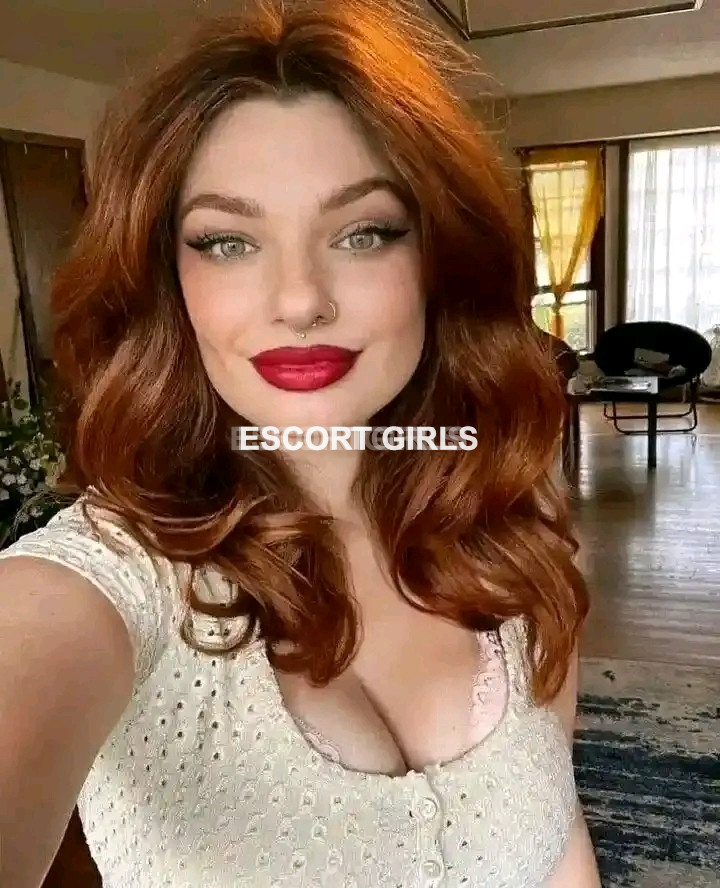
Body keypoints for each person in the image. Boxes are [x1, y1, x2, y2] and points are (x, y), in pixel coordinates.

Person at [0, 0, 601, 885]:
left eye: (363, 233)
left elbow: (561, 835)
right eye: (227, 242)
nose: (299, 300)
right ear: (166, 280)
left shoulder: (511, 525)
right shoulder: (97, 586)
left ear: (440, 260)